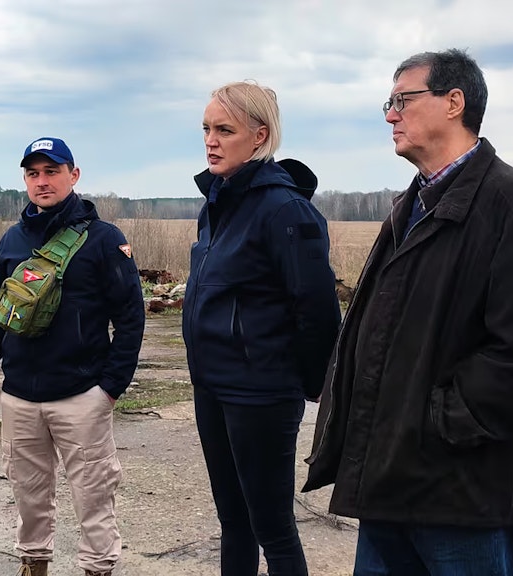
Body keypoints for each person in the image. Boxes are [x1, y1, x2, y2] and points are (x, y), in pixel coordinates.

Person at [304, 49, 513, 575]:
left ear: (454, 103)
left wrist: (439, 423)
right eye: (390, 102)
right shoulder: (412, 206)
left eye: (403, 100)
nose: (390, 115)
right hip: (391, 480)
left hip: (458, 492)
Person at [0, 137, 145, 576]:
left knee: (94, 494)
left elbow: (131, 317)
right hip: (21, 397)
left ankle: (98, 568)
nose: (42, 182)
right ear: (25, 180)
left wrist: (111, 388)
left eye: (51, 171)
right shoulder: (12, 240)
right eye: (33, 173)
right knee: (28, 495)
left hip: (82, 396)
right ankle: (33, 565)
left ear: (73, 175)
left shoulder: (103, 239)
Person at [183, 81, 340, 576]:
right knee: (234, 522)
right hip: (213, 387)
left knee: (272, 526)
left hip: (261, 393)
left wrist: (308, 384)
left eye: (224, 130)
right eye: (207, 128)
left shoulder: (285, 209)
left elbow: (316, 309)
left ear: (259, 136)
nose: (211, 139)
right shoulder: (217, 204)